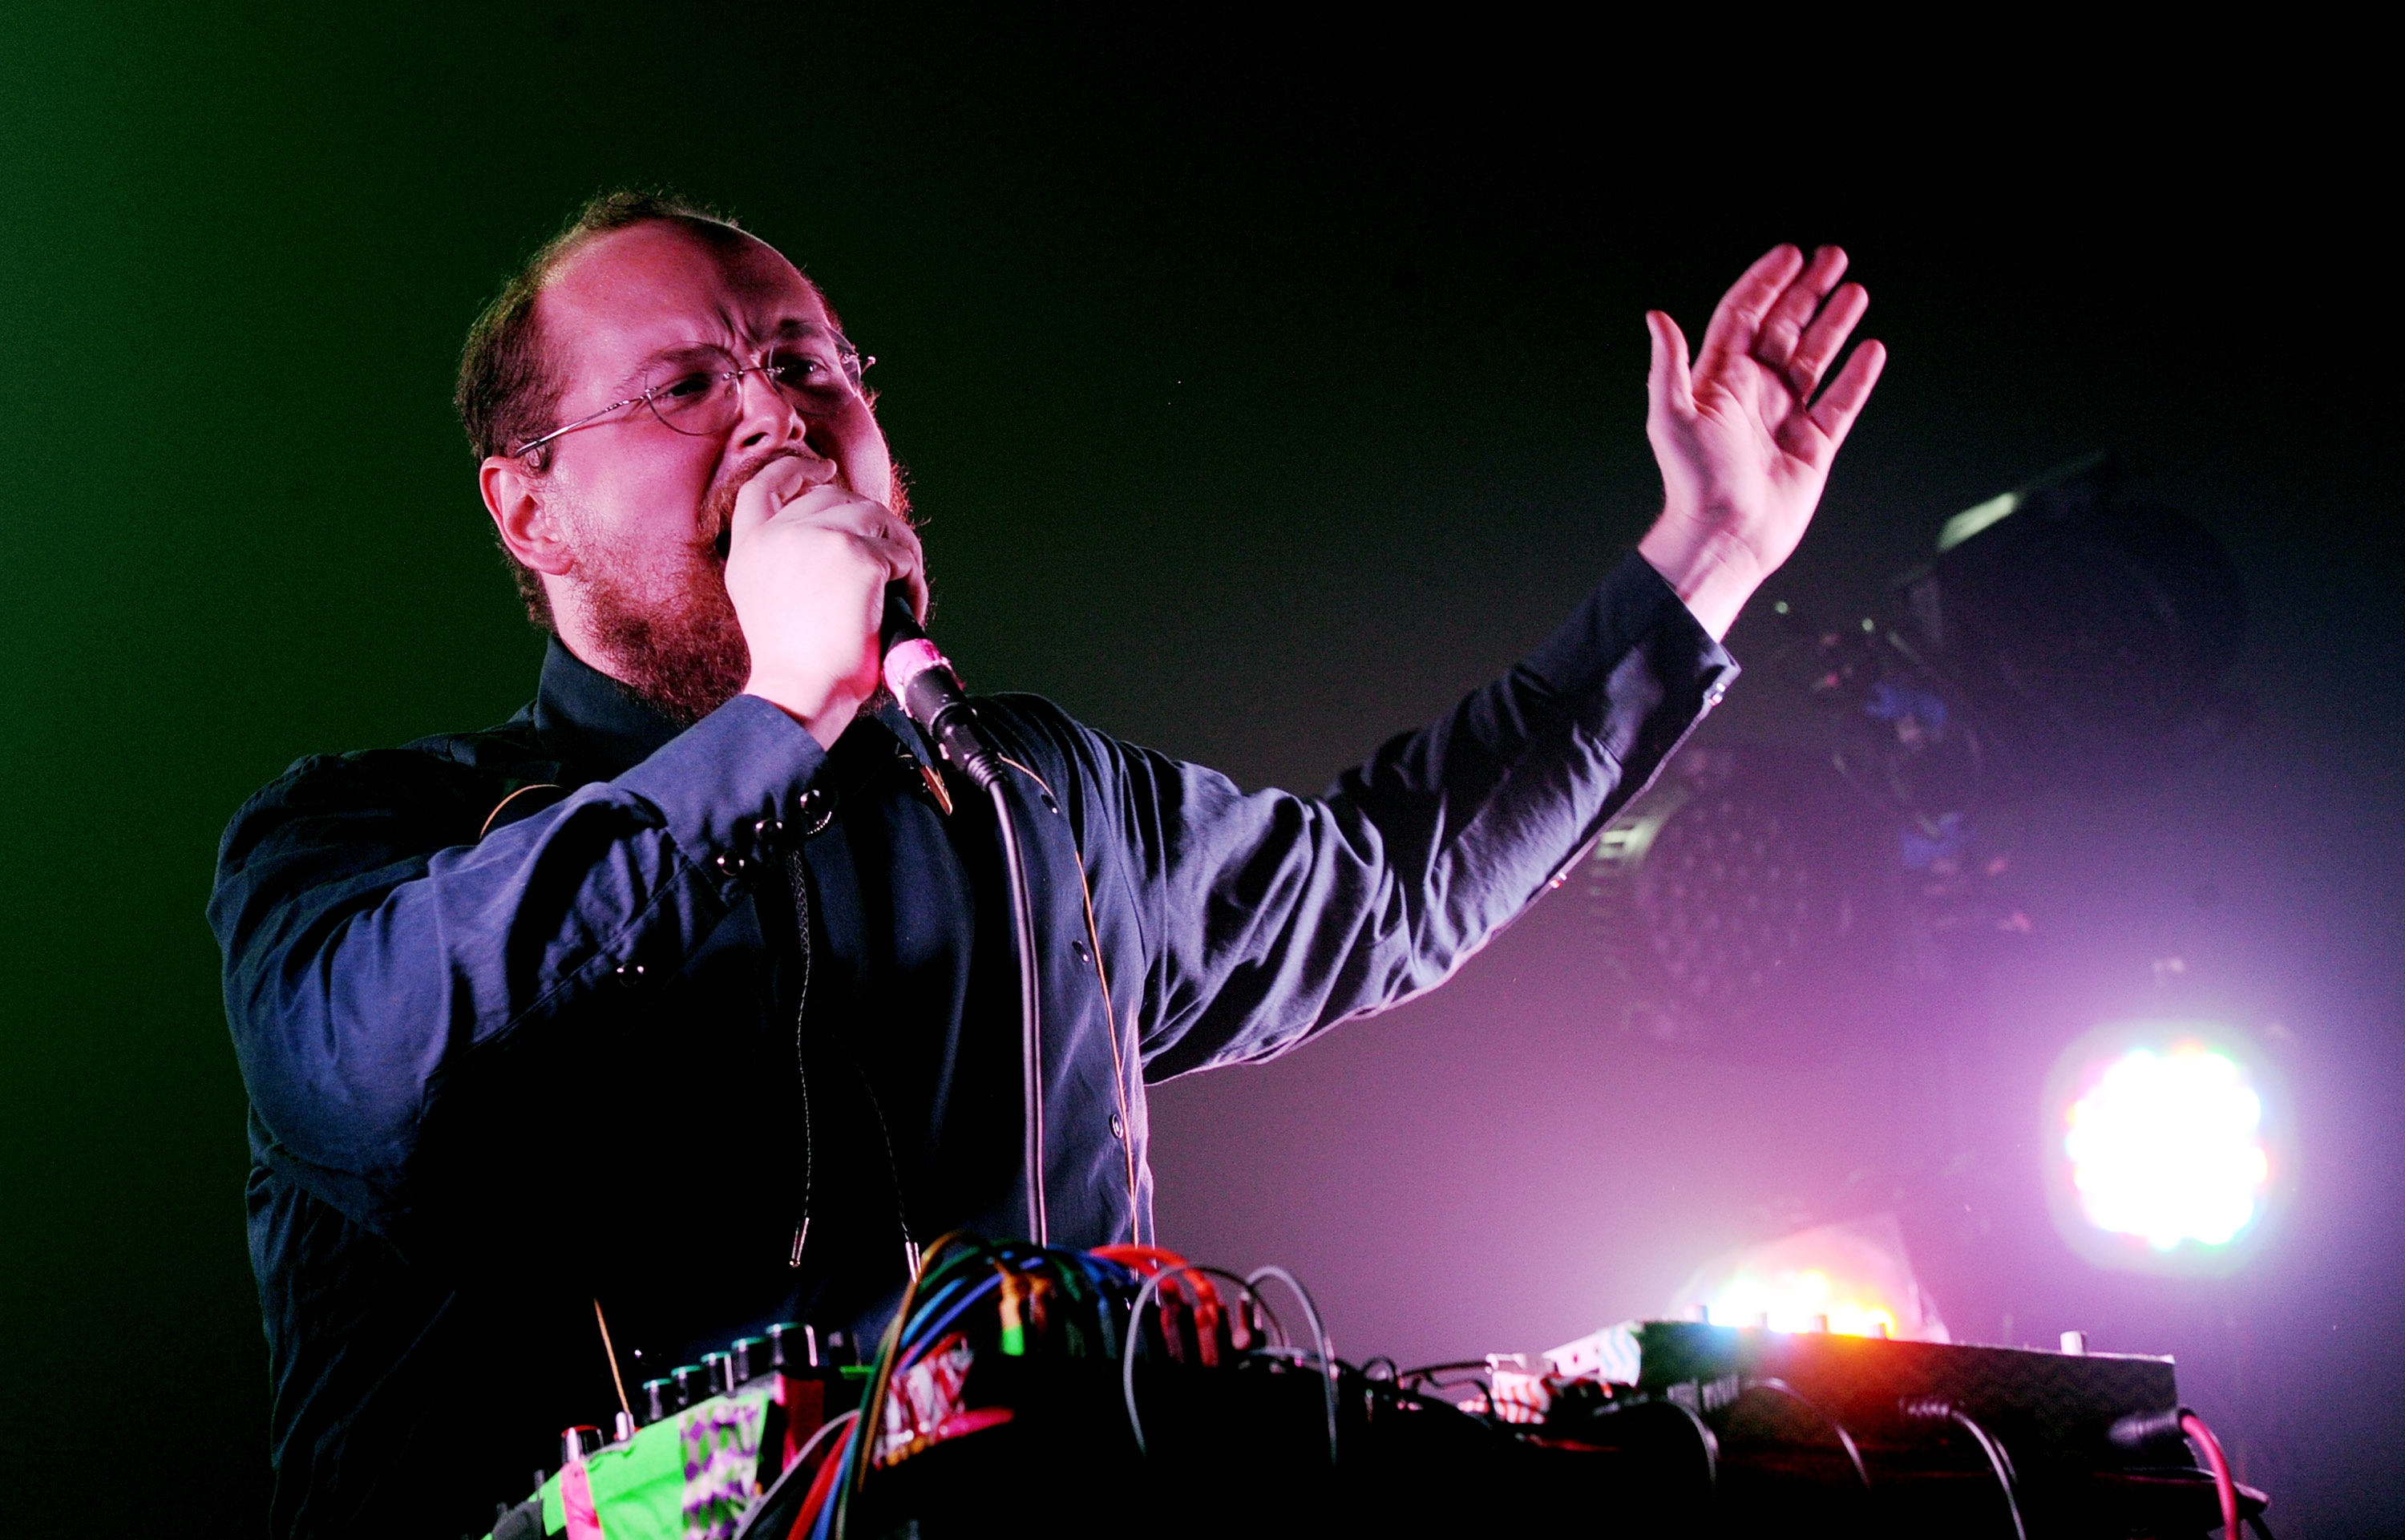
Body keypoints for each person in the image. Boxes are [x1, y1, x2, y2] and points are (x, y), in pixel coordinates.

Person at [209, 190, 1883, 1538]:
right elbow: (372, 1074)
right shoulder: (376, 836)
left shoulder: (1027, 795)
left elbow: (1390, 880)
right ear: (528, 510)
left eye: (810, 365)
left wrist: (1708, 557)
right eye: (684, 385)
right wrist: (781, 709)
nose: (774, 414)